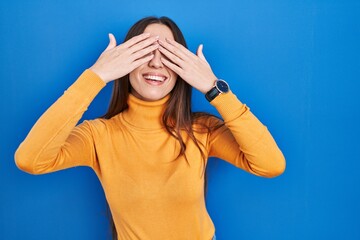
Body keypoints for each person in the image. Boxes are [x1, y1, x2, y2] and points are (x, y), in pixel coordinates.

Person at [15, 16, 285, 240]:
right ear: (124, 62)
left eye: (168, 54)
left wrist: (214, 88)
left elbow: (271, 165)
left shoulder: (202, 129)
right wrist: (96, 77)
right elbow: (30, 160)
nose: (156, 62)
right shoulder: (99, 135)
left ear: (182, 68)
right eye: (144, 51)